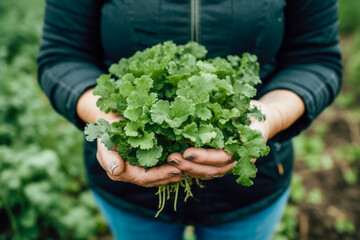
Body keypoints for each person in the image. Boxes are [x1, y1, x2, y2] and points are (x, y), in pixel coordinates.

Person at [37, 1, 342, 239]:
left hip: (251, 191)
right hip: (130, 196)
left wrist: (271, 115)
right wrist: (107, 118)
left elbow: (316, 57)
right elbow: (62, 55)